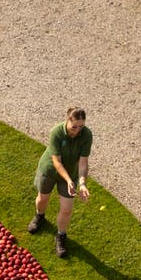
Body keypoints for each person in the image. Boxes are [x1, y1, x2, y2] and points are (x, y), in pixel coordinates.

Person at [27, 107, 92, 259]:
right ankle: (39, 216)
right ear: (67, 120)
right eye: (74, 126)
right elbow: (56, 162)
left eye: (81, 126)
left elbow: (83, 163)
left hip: (70, 174)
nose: (77, 130)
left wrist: (82, 183)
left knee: (67, 209)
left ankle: (61, 235)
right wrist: (69, 180)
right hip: (49, 170)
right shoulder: (56, 132)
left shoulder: (86, 135)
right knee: (43, 199)